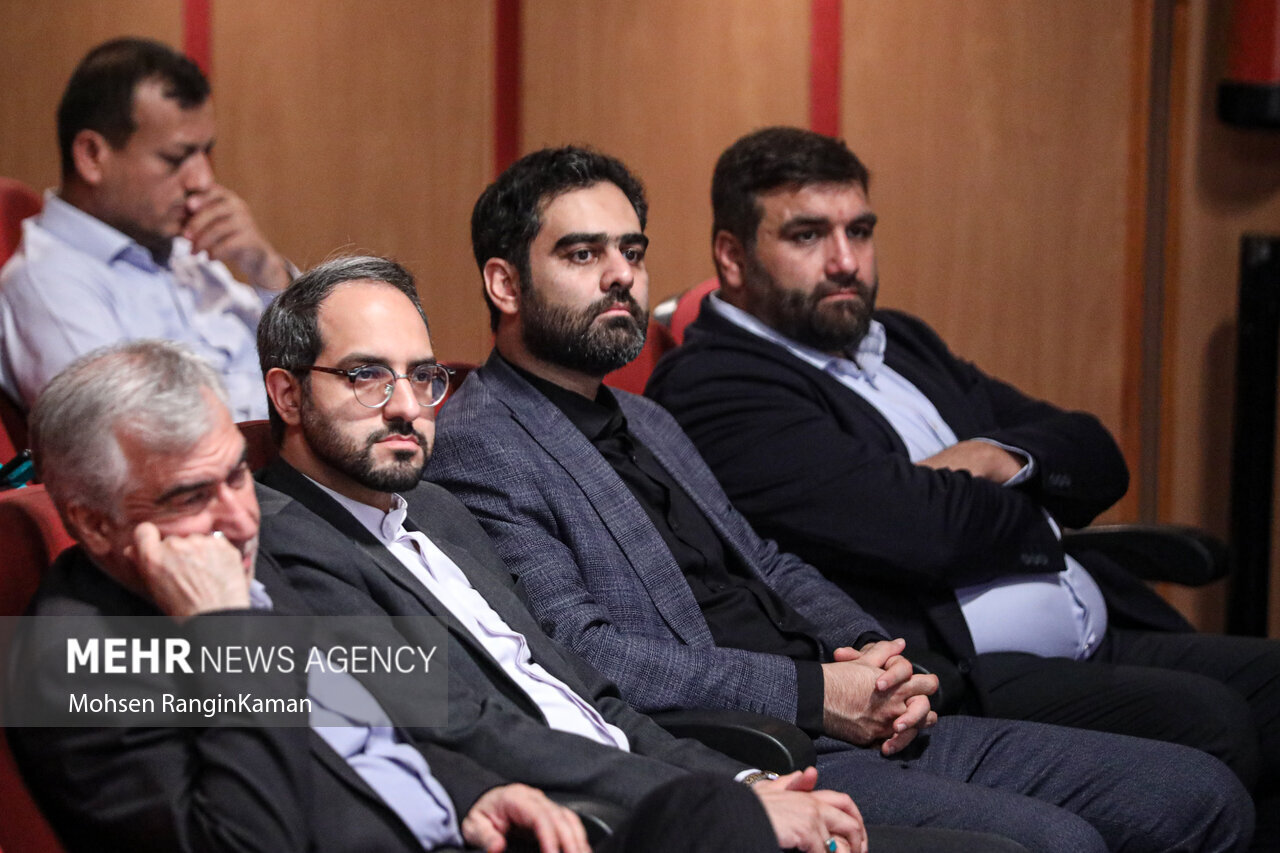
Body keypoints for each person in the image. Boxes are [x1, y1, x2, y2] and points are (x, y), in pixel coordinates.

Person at [427, 145, 1255, 853]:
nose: (622, 276)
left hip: (859, 714)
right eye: (582, 255)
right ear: (505, 282)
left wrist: (871, 652)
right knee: (1058, 842)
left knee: (1201, 792)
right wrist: (813, 691)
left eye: (632, 252)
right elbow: (583, 654)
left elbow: (769, 562)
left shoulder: (645, 418)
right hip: (758, 748)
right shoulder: (480, 441)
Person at [251, 255, 1000, 853]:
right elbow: (470, 727)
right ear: (287, 395)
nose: (407, 406)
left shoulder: (438, 510)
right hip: (593, 824)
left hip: (672, 790)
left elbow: (588, 696)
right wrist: (722, 803)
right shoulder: (285, 542)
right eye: (366, 376)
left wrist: (741, 780)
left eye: (422, 375)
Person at [643, 126, 1280, 797]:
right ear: (733, 256)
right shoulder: (714, 385)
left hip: (1104, 631)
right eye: (807, 236)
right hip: (966, 677)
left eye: (859, 231)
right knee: (1212, 722)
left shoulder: (900, 340)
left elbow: (1094, 451)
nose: (845, 261)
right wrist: (1038, 509)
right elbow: (922, 529)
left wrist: (990, 457)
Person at [6, 339, 784, 853]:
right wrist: (229, 635)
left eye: (236, 474)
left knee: (710, 815)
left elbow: (389, 718)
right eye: (188, 496)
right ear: (91, 520)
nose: (238, 517)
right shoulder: (67, 665)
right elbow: (248, 838)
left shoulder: (251, 557)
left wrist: (476, 792)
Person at [0, 37, 291, 421]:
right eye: (176, 158)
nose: (203, 180)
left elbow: (318, 361)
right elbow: (142, 439)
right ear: (91, 156)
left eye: (205, 152)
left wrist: (269, 273)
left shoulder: (181, 249)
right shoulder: (47, 285)